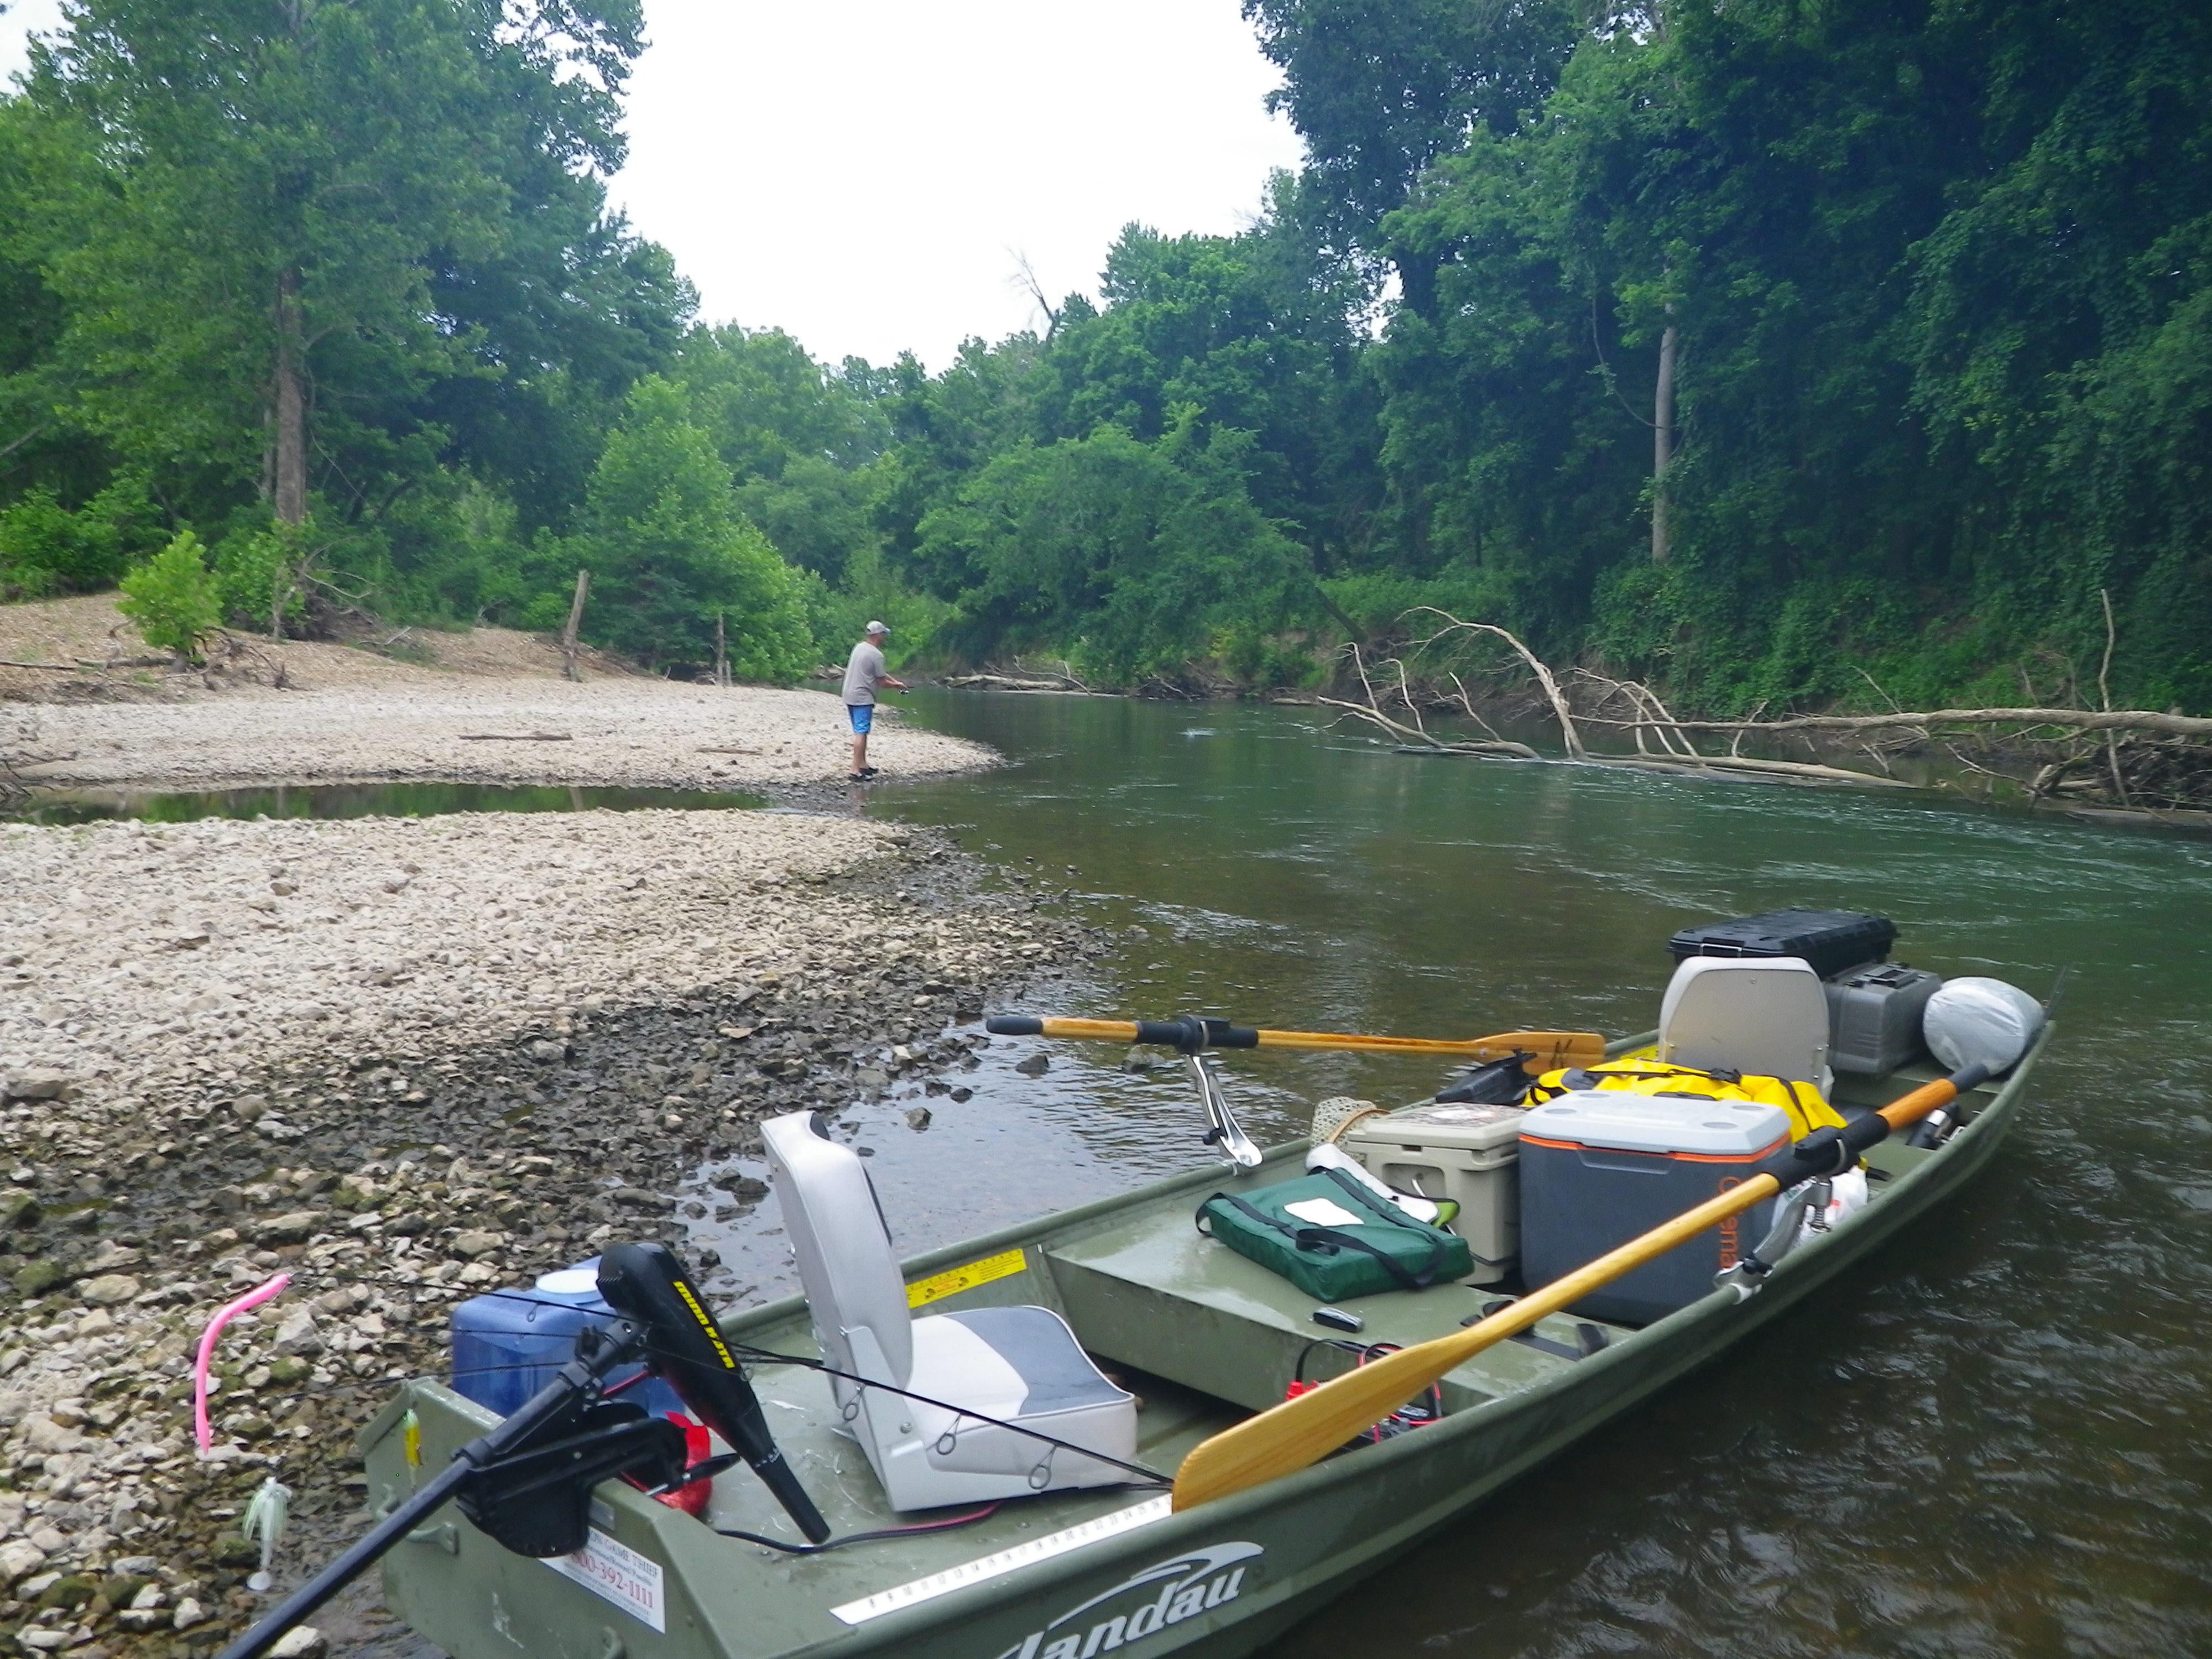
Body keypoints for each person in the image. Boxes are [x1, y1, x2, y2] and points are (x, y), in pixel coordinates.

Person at [841, 621, 906, 780]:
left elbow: (882, 675)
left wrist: (896, 682)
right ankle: (855, 770)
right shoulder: (877, 655)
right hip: (863, 697)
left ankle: (863, 764)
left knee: (860, 730)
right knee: (861, 732)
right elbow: (882, 682)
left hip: (849, 694)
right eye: (883, 634)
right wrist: (897, 685)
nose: (884, 637)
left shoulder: (859, 648)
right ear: (878, 635)